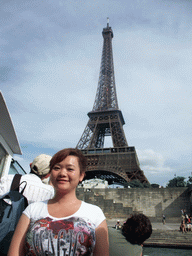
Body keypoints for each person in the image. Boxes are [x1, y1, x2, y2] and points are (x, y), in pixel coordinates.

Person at [8, 148, 109, 256]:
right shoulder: (32, 210)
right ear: (50, 173)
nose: (62, 173)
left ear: (81, 176)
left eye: (70, 169)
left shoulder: (95, 214)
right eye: (56, 168)